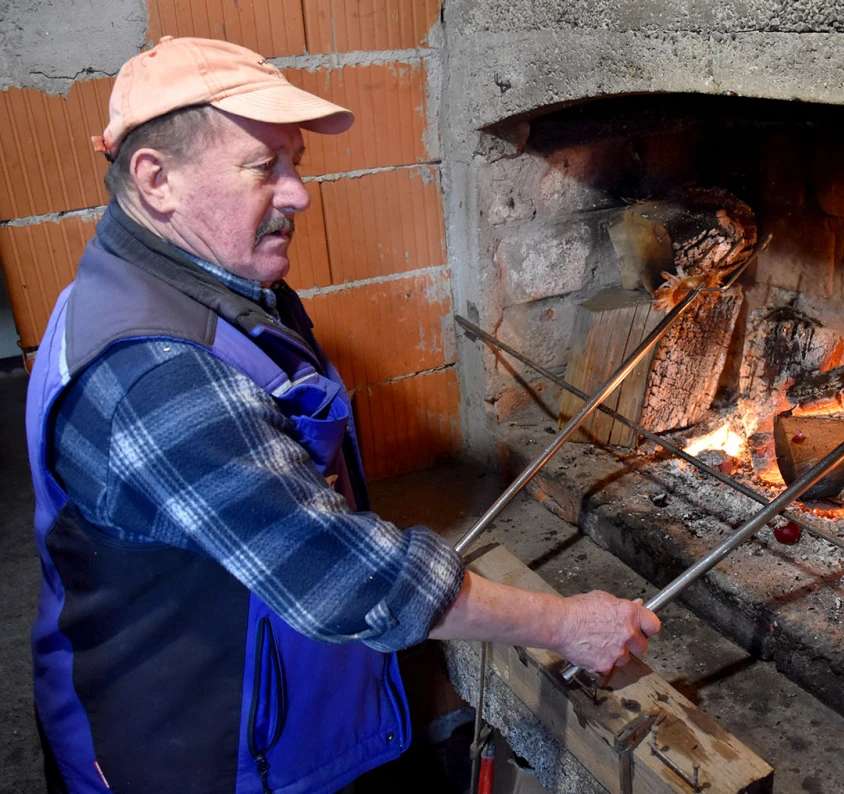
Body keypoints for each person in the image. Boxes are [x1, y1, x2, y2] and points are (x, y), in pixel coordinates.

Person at [25, 36, 660, 794]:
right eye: (265, 168)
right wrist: (569, 626)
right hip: (199, 754)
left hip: (267, 704)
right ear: (156, 179)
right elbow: (346, 581)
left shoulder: (184, 280)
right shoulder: (152, 374)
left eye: (295, 163)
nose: (296, 193)